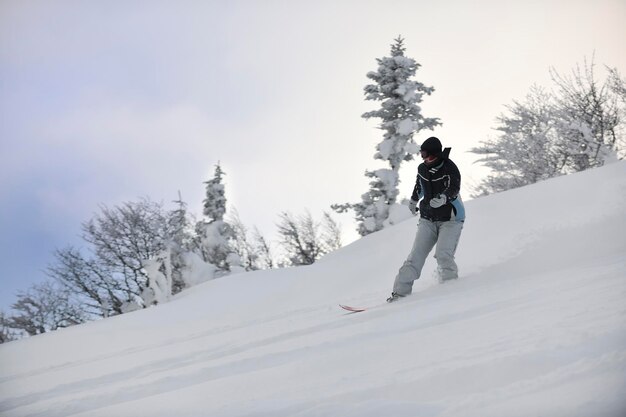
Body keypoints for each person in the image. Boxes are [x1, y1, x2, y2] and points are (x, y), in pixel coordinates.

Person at [387, 136, 465, 303]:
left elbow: (454, 187)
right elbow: (419, 186)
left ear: (437, 155)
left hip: (451, 219)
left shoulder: (449, 168)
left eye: (429, 156)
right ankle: (400, 294)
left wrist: (444, 198)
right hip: (428, 219)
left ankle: (451, 289)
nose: (426, 159)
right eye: (423, 155)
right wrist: (414, 200)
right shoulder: (422, 168)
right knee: (415, 258)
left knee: (443, 255)